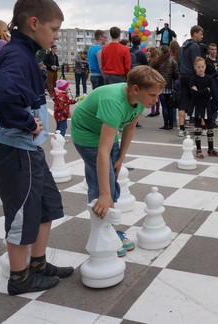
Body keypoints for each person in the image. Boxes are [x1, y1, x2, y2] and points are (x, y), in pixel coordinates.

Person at [0, 0, 73, 295]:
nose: (57, 36)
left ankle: (37, 263)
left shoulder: (20, 54)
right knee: (22, 212)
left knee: (46, 205)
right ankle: (20, 277)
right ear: (34, 23)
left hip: (27, 149)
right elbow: (5, 99)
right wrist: (27, 122)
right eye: (55, 29)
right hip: (16, 148)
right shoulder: (17, 55)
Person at [71, 66, 165, 257]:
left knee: (111, 178)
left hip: (106, 130)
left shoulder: (138, 100)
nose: (156, 101)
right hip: (86, 133)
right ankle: (103, 232)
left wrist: (121, 158)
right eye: (153, 95)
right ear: (136, 89)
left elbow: (130, 128)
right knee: (101, 184)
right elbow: (102, 152)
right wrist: (106, 194)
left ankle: (108, 226)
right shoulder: (114, 102)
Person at [190, 57, 218, 158]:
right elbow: (194, 94)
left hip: (207, 106)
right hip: (197, 106)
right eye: (199, 67)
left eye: (202, 66)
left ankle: (211, 149)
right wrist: (205, 91)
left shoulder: (209, 78)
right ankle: (198, 149)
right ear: (195, 68)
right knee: (198, 127)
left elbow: (212, 92)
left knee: (210, 127)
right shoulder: (193, 79)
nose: (201, 69)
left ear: (205, 67)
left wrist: (201, 91)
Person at [178, 25, 204, 137]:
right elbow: (197, 63)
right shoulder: (194, 46)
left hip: (182, 76)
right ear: (194, 33)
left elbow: (179, 63)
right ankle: (201, 128)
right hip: (192, 77)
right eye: (200, 34)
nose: (202, 36)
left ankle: (181, 129)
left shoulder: (182, 46)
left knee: (183, 104)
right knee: (199, 102)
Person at [150, 45, 179, 130]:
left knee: (164, 107)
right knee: (170, 107)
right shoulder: (173, 62)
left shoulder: (157, 62)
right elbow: (176, 75)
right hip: (170, 87)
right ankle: (171, 124)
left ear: (161, 51)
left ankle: (166, 124)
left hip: (161, 87)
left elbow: (153, 73)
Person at [205, 43, 218, 128]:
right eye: (211, 49)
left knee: (216, 103)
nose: (213, 51)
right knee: (210, 104)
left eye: (215, 49)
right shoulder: (206, 61)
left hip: (217, 85)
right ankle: (209, 121)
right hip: (210, 84)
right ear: (209, 50)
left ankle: (213, 121)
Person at [146, 47, 160, 117]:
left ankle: (153, 111)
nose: (148, 53)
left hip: (152, 78)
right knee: (157, 95)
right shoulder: (158, 58)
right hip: (157, 78)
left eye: (149, 51)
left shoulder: (152, 60)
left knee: (152, 95)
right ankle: (157, 110)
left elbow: (150, 69)